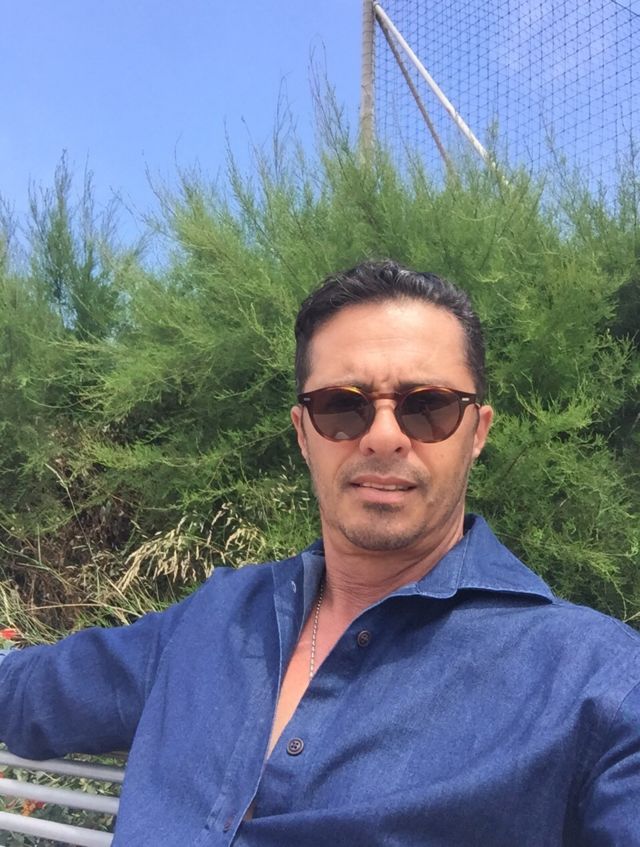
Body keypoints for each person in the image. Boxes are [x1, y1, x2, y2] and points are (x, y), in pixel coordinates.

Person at [1, 260, 639, 846]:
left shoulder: (595, 683)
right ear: (304, 433)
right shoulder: (214, 620)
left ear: (477, 431)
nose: (384, 437)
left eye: (428, 407)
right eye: (341, 407)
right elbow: (30, 693)